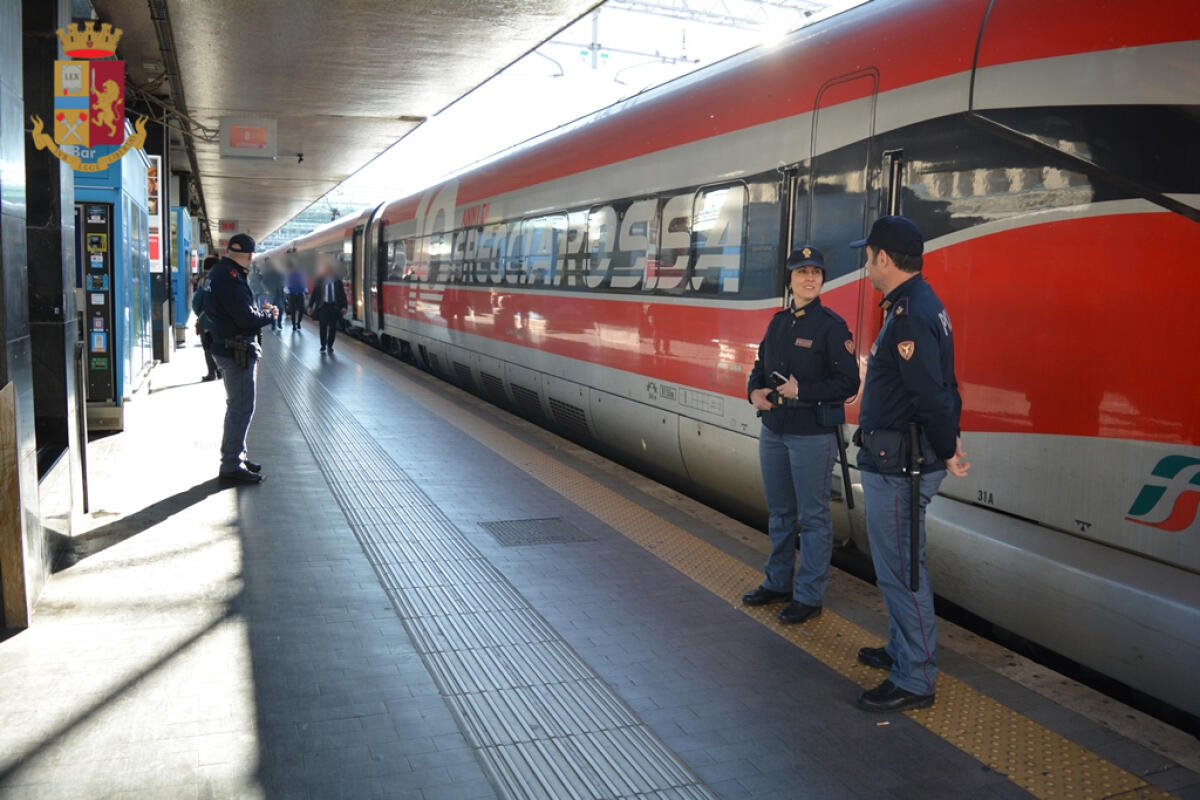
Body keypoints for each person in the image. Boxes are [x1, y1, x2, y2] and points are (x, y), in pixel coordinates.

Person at [849, 216, 969, 713]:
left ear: (883, 258)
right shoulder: (919, 304)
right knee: (898, 565)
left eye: (869, 255)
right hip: (896, 459)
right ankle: (902, 649)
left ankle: (916, 677)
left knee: (902, 571)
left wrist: (947, 449)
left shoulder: (910, 316)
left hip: (901, 466)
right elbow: (944, 384)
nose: (867, 265)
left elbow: (932, 396)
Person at [743, 246, 860, 625]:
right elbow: (759, 368)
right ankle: (778, 582)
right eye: (802, 272)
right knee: (779, 513)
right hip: (774, 431)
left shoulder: (831, 326)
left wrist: (803, 391)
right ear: (790, 279)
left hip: (811, 434)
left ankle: (809, 595)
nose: (810, 278)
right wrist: (753, 392)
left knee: (813, 518)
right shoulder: (778, 323)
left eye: (816, 273)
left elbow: (849, 382)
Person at [205, 234, 277, 484]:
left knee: (238, 406)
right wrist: (270, 317)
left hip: (228, 347)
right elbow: (245, 320)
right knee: (241, 407)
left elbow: (235, 311)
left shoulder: (221, 273)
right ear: (248, 255)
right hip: (235, 351)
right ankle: (231, 465)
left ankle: (237, 455)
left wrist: (258, 313)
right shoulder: (230, 277)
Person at [307, 262, 348, 354]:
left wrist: (344, 306)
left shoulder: (337, 281)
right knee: (323, 326)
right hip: (323, 306)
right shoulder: (320, 280)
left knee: (333, 327)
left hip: (334, 306)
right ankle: (323, 345)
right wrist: (310, 306)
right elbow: (314, 294)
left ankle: (330, 345)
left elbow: (342, 295)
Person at [193, 255, 220, 381]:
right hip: (221, 321)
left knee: (208, 347)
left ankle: (211, 373)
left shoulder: (205, 281)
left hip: (207, 320)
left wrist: (199, 314)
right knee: (220, 345)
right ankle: (220, 371)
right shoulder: (224, 280)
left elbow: (196, 302)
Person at [262, 263, 286, 332]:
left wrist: (283, 287)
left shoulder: (280, 273)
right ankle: (273, 324)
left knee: (280, 309)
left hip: (279, 294)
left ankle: (279, 322)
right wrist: (266, 289)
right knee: (272, 309)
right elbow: (263, 282)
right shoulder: (268, 274)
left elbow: (284, 281)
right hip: (272, 294)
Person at [285, 260, 307, 331]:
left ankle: (298, 322)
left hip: (299, 294)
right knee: (294, 311)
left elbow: (304, 283)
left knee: (301, 310)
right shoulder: (289, 275)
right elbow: (286, 285)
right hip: (293, 295)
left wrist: (305, 290)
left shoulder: (300, 274)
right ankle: (294, 324)